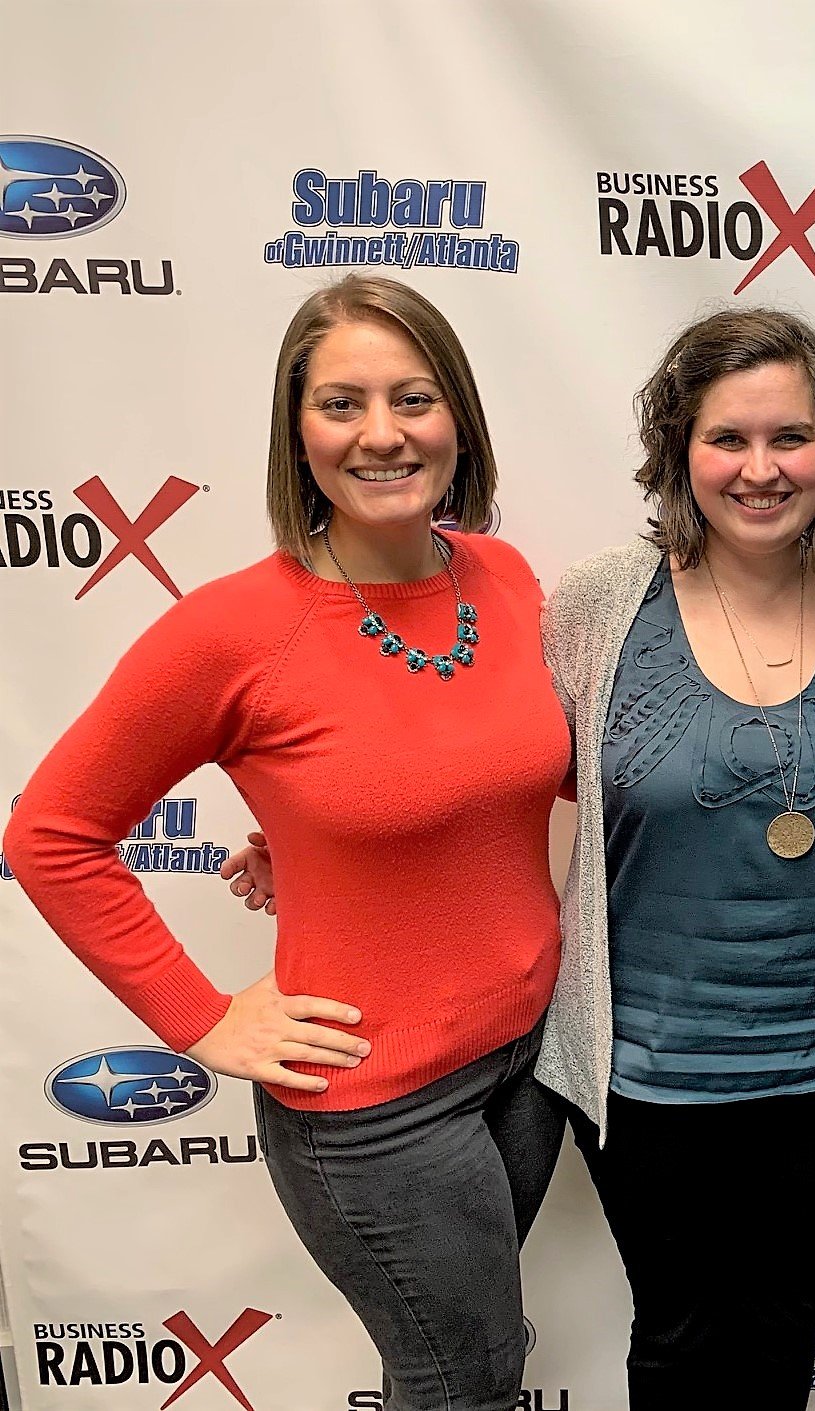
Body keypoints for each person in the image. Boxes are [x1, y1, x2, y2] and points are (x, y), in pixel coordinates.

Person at [4, 275, 569, 1411]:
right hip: (376, 1105)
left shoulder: (502, 578)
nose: (381, 433)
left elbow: (491, 774)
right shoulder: (233, 629)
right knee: (465, 1386)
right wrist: (200, 1017)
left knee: (472, 1369)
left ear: (458, 418)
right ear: (296, 434)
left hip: (528, 1057)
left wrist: (322, 836)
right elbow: (51, 834)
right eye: (341, 403)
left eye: (413, 398)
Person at [529, 308, 815, 1407]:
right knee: (675, 1336)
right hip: (646, 1075)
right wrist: (320, 839)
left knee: (779, 1327)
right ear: (680, 451)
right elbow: (499, 764)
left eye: (790, 437)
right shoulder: (601, 603)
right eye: (727, 438)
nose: (761, 469)